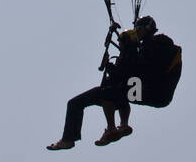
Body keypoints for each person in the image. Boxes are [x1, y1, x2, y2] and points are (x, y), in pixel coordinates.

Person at [47, 16, 182, 150]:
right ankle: (74, 138)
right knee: (77, 102)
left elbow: (147, 67)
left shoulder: (160, 45)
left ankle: (111, 128)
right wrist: (112, 66)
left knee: (109, 93)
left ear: (147, 29)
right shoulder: (139, 51)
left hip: (155, 90)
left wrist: (131, 48)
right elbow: (129, 73)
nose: (136, 32)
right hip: (148, 93)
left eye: (138, 29)